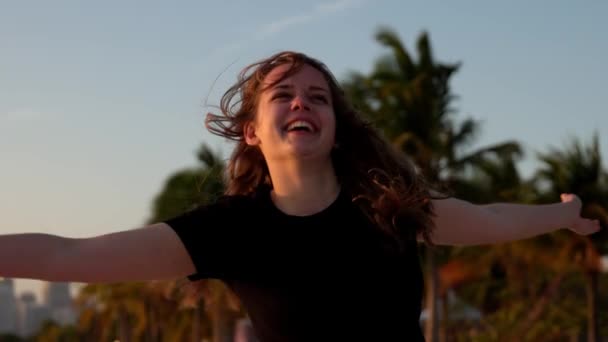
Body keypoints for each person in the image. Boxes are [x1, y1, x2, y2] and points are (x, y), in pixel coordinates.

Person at [0, 51, 600, 341]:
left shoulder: (388, 208)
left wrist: (565, 214)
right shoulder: (228, 232)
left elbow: (490, 217)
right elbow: (67, 256)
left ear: (334, 126)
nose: (302, 103)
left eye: (318, 97)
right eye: (283, 94)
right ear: (254, 132)